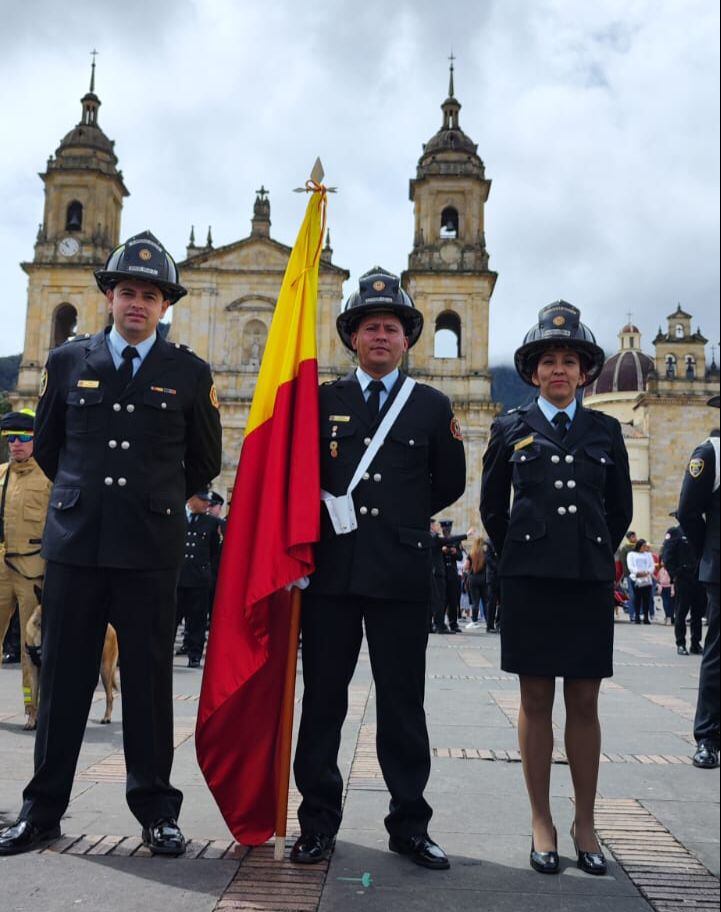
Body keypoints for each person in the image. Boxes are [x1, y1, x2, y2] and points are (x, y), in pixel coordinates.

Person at [0, 230, 222, 857]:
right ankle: (42, 810)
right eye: (127, 292)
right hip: (76, 545)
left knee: (148, 682)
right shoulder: (70, 361)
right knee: (64, 679)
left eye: (150, 296)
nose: (137, 304)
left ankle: (156, 810)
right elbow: (49, 445)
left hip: (149, 549)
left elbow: (204, 459)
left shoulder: (188, 371)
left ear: (165, 305)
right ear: (109, 297)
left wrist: (152, 497)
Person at [291, 267, 465, 870]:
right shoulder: (322, 402)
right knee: (323, 702)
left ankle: (410, 824)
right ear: (352, 337)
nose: (381, 337)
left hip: (400, 573)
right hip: (333, 575)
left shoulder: (431, 406)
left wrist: (401, 517)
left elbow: (449, 482)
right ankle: (317, 822)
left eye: (392, 327)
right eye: (370, 328)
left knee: (402, 704)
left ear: (407, 338)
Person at [481, 301, 632, 877]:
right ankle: (541, 820)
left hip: (587, 579)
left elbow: (619, 509)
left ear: (585, 371)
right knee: (535, 699)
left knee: (586, 701)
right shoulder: (510, 428)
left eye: (570, 360)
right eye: (549, 360)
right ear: (533, 371)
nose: (560, 369)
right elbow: (492, 509)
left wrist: (588, 548)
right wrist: (524, 553)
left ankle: (584, 823)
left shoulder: (606, 431)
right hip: (530, 580)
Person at [0, 410, 52, 728]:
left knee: (29, 647)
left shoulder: (49, 477)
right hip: (2, 567)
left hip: (33, 571)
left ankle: (33, 708)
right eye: (10, 439)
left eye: (23, 438)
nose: (16, 444)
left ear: (36, 439)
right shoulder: (1, 474)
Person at [677, 394, 720, 770]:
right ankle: (708, 736)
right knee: (718, 655)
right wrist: (709, 550)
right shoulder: (711, 453)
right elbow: (688, 511)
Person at [175, 490, 222, 668]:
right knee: (172, 618)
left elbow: (214, 551)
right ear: (192, 499)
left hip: (199, 578)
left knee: (197, 620)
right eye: (202, 500)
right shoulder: (178, 516)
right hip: (179, 577)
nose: (206, 504)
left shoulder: (211, 523)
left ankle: (194, 653)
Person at [663, 519, 705, 655]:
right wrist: (675, 574)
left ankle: (695, 643)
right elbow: (667, 556)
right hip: (683, 578)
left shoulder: (700, 532)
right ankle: (681, 643)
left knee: (697, 614)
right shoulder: (675, 532)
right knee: (681, 612)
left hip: (699, 578)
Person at [626, 539, 654, 625]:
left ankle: (646, 617)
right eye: (644, 546)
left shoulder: (648, 555)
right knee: (637, 598)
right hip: (636, 578)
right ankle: (637, 616)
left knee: (647, 599)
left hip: (646, 579)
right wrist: (637, 572)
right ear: (639, 546)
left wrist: (647, 572)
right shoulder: (631, 554)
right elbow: (630, 566)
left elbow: (652, 566)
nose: (645, 548)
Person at [465, 535, 487, 629]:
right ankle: (488, 621)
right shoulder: (485, 554)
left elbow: (466, 567)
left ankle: (474, 621)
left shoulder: (471, 554)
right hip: (484, 579)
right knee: (485, 601)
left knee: (475, 601)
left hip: (473, 579)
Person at [617, 531, 638, 621]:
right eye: (633, 537)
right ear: (629, 538)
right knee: (631, 595)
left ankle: (638, 614)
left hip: (639, 575)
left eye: (635, 536)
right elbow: (623, 562)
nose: (635, 538)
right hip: (629, 575)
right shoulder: (625, 548)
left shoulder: (639, 546)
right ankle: (631, 614)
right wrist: (625, 575)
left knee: (638, 595)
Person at [656, 561, 675, 625]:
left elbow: (673, 580)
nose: (662, 563)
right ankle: (667, 616)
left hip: (670, 587)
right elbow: (658, 578)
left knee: (670, 604)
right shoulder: (661, 570)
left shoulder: (671, 570)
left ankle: (670, 617)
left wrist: (673, 589)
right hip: (663, 588)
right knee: (665, 603)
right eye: (662, 561)